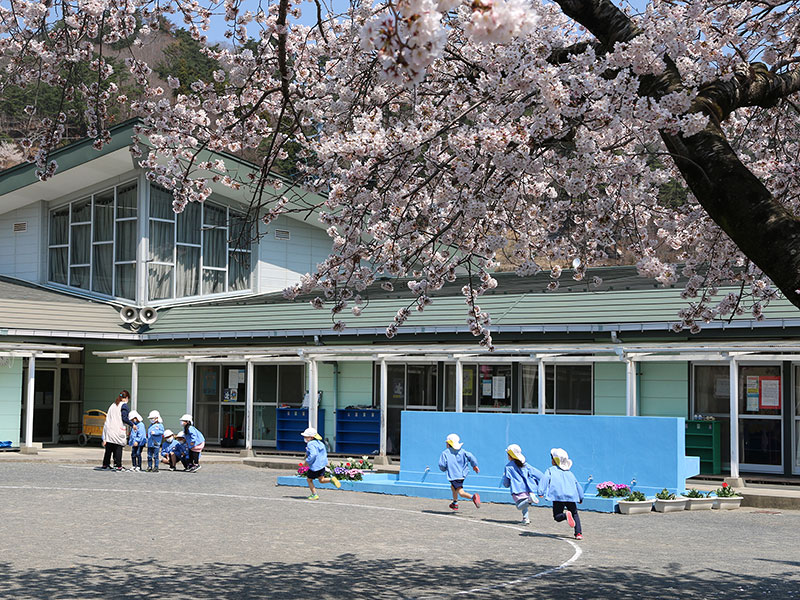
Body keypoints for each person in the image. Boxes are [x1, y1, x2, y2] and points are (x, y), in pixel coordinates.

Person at [538, 448, 584, 540]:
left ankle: (565, 515)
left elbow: (545, 479)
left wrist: (540, 492)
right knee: (575, 513)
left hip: (557, 496)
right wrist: (581, 497)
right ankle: (578, 533)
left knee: (557, 516)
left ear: (555, 460)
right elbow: (577, 485)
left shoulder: (550, 470)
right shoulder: (570, 473)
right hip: (571, 496)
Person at [501, 444, 542, 525]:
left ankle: (529, 500)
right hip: (528, 489)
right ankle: (525, 518)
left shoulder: (508, 467)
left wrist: (504, 481)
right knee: (524, 505)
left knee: (519, 506)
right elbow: (537, 474)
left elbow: (506, 483)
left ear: (511, 455)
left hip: (517, 490)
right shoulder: (525, 464)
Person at [438, 433, 480, 511]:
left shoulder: (445, 453)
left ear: (449, 443)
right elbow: (471, 457)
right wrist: (474, 465)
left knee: (460, 492)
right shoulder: (463, 451)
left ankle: (473, 497)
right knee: (453, 487)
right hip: (462, 475)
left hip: (454, 476)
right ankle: (455, 503)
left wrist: (444, 469)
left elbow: (441, 465)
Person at [302, 426, 340, 500]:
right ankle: (331, 479)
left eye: (306, 436)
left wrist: (307, 462)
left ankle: (314, 494)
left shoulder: (310, 444)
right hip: (322, 465)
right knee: (321, 480)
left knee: (309, 480)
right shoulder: (320, 443)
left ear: (311, 437)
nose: (305, 438)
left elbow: (313, 454)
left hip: (314, 466)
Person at [101, 390, 134, 471]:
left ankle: (105, 464)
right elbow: (124, 418)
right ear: (126, 398)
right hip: (118, 429)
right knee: (118, 448)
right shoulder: (124, 405)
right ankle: (118, 464)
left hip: (109, 429)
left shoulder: (113, 405)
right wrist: (132, 425)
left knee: (109, 448)